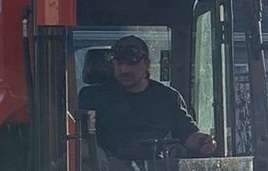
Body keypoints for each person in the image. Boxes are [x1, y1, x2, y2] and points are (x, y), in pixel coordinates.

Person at [78, 36, 218, 159]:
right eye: (119, 63)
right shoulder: (91, 98)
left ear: (147, 64)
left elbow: (188, 135)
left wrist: (204, 142)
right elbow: (76, 139)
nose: (124, 70)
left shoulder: (166, 98)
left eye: (131, 64)